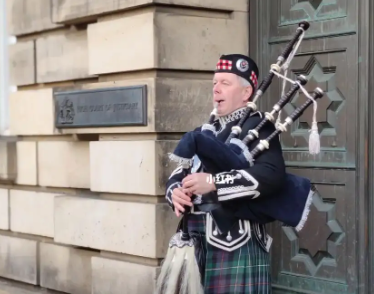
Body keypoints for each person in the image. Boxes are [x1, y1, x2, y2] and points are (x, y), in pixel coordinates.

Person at [165, 53, 286, 294]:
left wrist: (214, 183)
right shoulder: (203, 131)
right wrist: (174, 193)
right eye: (214, 83)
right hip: (194, 240)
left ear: (246, 92)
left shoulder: (260, 127)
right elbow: (179, 173)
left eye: (225, 83)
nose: (216, 89)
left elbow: (272, 176)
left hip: (234, 242)